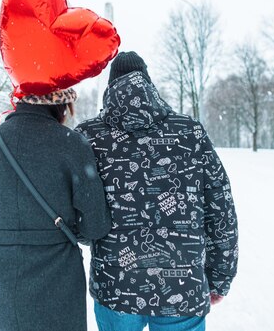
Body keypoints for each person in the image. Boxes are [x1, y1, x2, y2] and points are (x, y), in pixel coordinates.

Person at [75, 51, 239, 331]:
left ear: (110, 88)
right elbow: (220, 210)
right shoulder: (190, 133)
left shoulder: (89, 137)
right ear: (150, 86)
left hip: (116, 287)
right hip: (183, 287)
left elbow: (79, 215)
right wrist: (220, 276)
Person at [0, 88, 112, 331]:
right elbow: (95, 226)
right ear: (63, 104)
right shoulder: (71, 144)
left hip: (0, 276)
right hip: (56, 278)